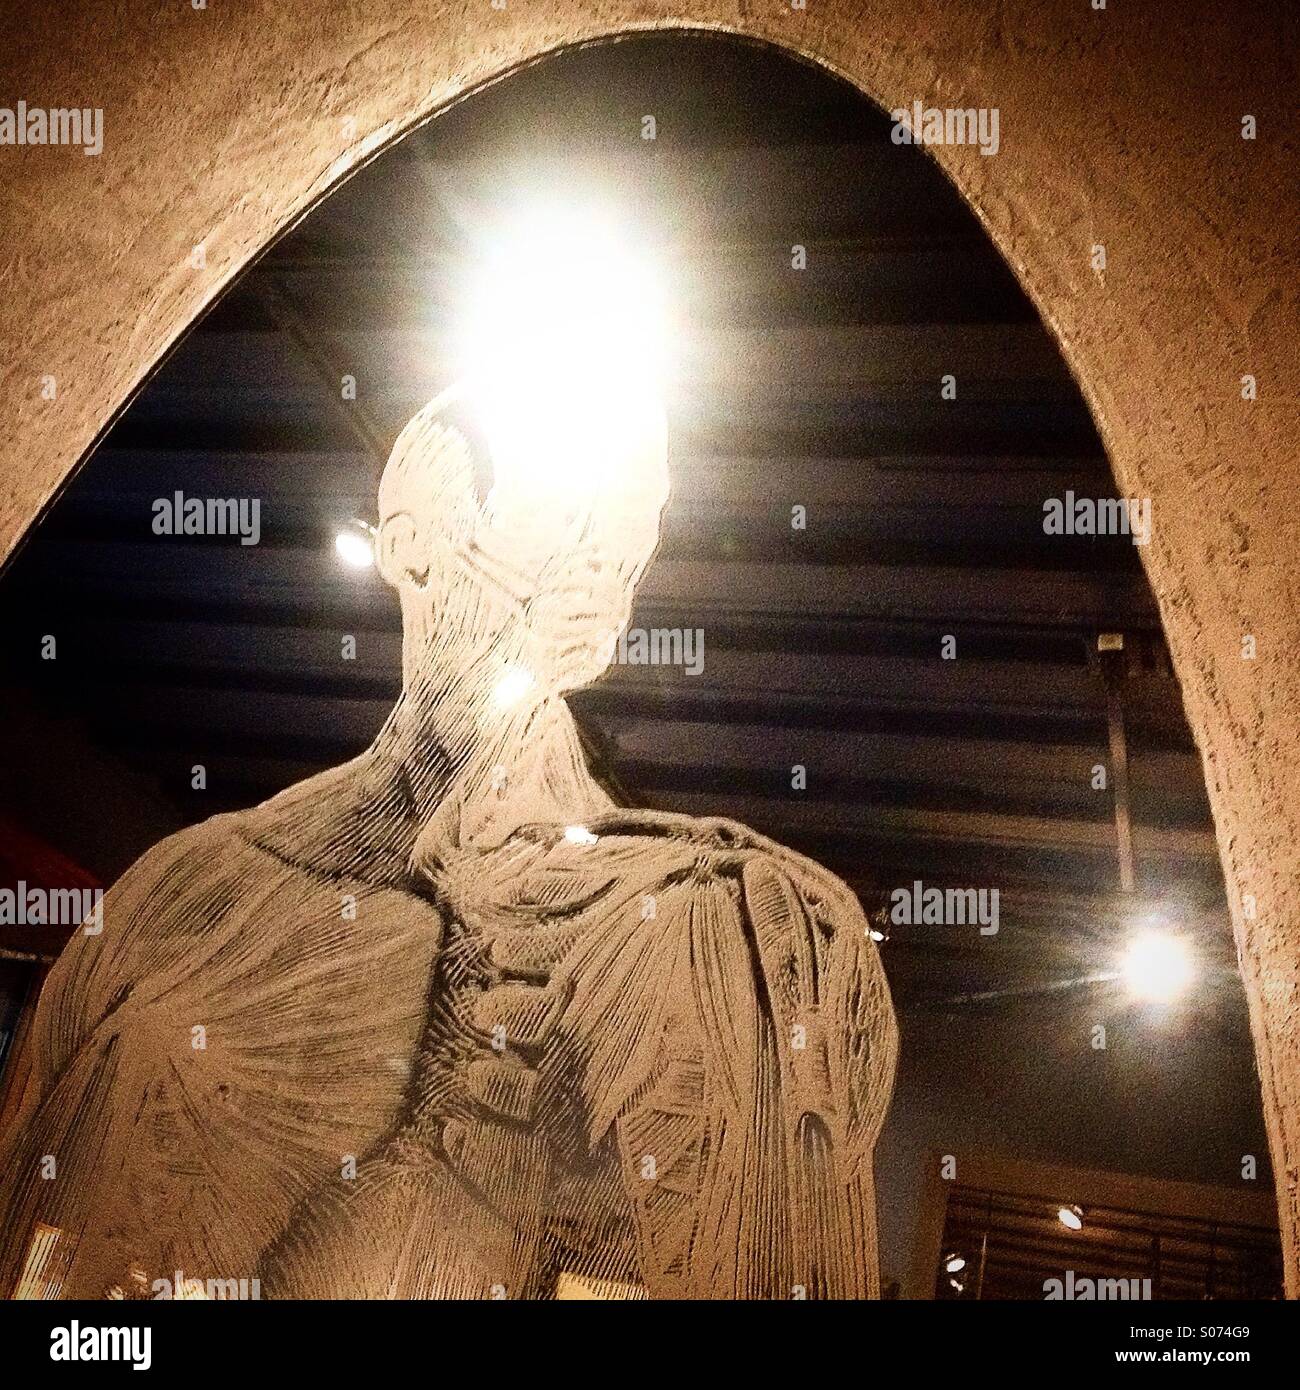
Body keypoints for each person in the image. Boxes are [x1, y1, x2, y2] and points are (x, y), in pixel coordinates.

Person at [0, 387, 897, 1300]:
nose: (592, 578)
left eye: (622, 543)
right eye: (555, 516)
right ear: (408, 544)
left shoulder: (699, 920)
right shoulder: (188, 889)